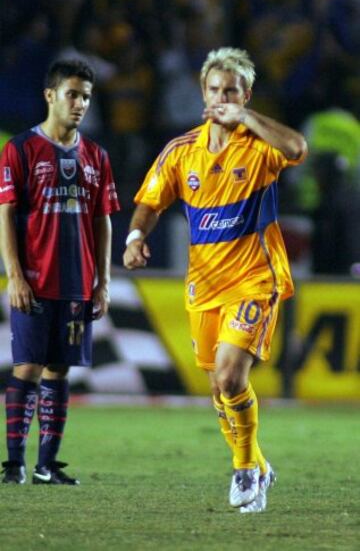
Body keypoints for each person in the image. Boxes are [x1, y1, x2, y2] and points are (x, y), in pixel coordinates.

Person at [123, 47, 307, 512]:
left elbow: (298, 149)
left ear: (245, 94)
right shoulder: (182, 151)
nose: (221, 97)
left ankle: (245, 473)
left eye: (231, 91)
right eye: (214, 90)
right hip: (203, 285)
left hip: (254, 279)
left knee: (229, 377)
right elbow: (151, 198)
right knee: (217, 390)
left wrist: (248, 117)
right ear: (203, 94)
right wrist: (135, 236)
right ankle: (258, 463)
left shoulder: (260, 146)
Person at [0, 59, 120, 484]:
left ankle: (46, 466)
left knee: (60, 370)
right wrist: (14, 274)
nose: (81, 103)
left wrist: (102, 282)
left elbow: (102, 220)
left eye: (86, 96)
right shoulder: (19, 149)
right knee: (28, 367)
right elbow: (7, 213)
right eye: (72, 94)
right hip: (34, 279)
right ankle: (13, 463)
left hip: (75, 282)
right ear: (50, 95)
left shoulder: (96, 157)